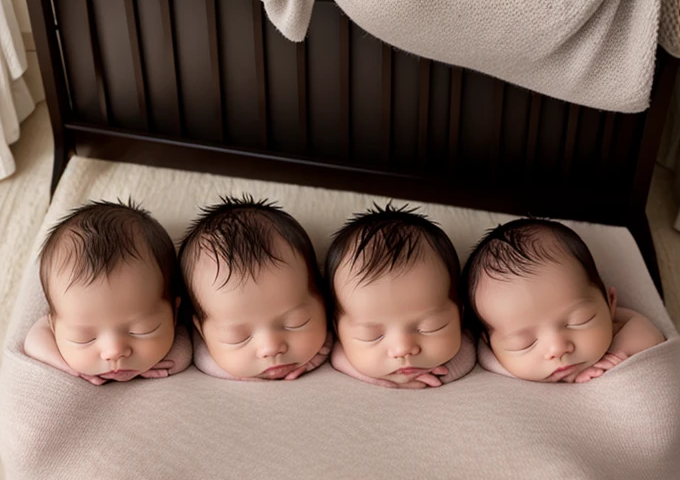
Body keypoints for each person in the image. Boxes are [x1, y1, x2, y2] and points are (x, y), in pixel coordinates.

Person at [462, 217, 665, 382]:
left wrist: (617, 354)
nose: (557, 348)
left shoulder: (618, 328)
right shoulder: (482, 360)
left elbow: (648, 333)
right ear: (488, 344)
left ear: (610, 303)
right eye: (524, 343)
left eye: (580, 320)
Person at [24, 200, 191, 384]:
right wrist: (71, 369)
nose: (113, 351)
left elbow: (185, 348)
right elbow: (34, 342)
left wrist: (170, 361)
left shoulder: (182, 322)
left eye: (143, 330)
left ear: (175, 313)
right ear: (53, 326)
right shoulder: (53, 323)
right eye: (84, 338)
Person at [324, 202, 476, 388]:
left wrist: (444, 374)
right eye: (371, 335)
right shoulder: (325, 344)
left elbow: (472, 348)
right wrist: (357, 370)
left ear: (460, 314)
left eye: (430, 327)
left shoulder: (473, 338)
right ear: (337, 330)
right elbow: (332, 350)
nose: (403, 349)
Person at [179, 195, 331, 380]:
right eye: (237, 337)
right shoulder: (190, 345)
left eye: (295, 322)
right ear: (202, 333)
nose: (270, 348)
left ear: (324, 301)